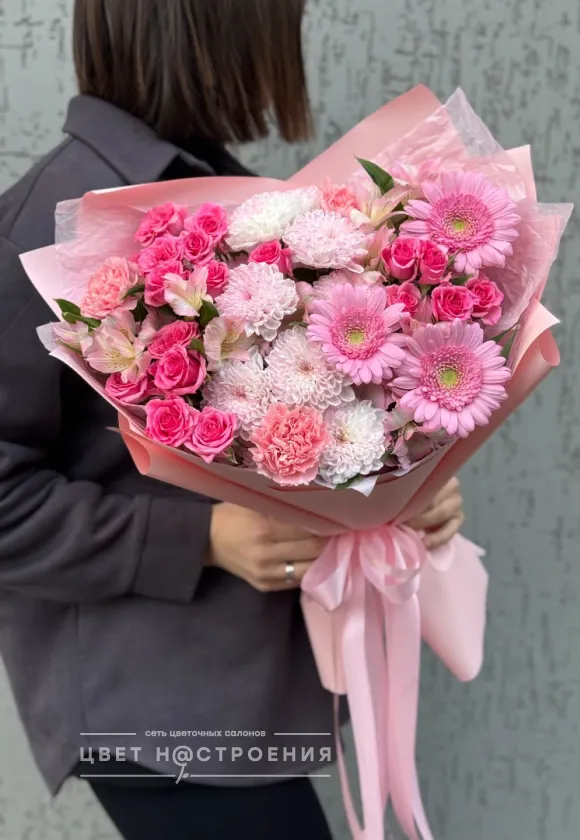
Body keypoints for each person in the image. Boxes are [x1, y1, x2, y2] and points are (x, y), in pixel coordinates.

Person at [0, 1, 465, 838]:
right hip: (153, 705)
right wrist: (203, 539)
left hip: (242, 691)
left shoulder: (237, 202)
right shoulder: (50, 224)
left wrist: (395, 487)